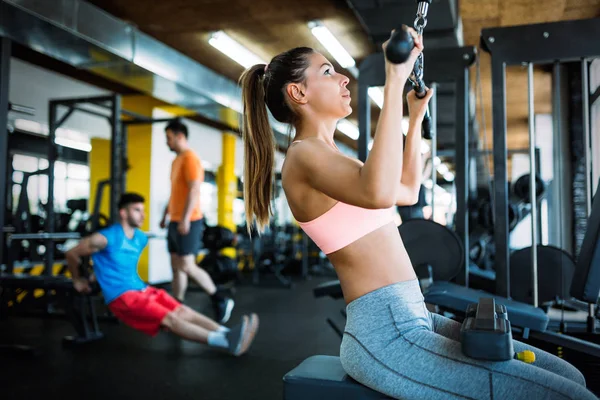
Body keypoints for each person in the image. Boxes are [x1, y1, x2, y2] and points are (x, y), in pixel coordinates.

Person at [237, 27, 597, 400]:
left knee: (567, 373)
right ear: (298, 93)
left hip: (413, 317)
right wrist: (393, 80)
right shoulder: (303, 155)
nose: (343, 77)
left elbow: (406, 191)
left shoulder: (333, 159)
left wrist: (414, 117)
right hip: (386, 335)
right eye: (327, 71)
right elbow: (377, 192)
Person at [66, 193, 258, 356]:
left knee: (184, 311)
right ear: (123, 213)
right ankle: (226, 342)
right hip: (122, 297)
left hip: (142, 288)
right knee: (170, 319)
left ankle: (228, 332)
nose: (143, 215)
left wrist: (95, 274)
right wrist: (77, 279)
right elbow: (72, 253)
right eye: (137, 210)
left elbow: (115, 264)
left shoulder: (140, 238)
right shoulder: (104, 237)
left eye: (143, 210)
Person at [159, 119, 234, 324]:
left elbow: (194, 190)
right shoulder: (176, 161)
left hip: (190, 220)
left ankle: (219, 298)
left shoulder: (191, 158)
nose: (167, 142)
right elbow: (176, 192)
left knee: (187, 265)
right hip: (175, 220)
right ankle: (177, 304)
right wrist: (166, 215)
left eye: (169, 138)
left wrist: (184, 219)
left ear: (180, 136)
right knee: (176, 266)